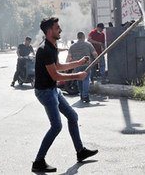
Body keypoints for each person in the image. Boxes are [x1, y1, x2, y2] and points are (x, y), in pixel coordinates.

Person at [32, 17, 98, 173]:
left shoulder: (52, 46)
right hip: (45, 92)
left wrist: (79, 62)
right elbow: (56, 75)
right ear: (49, 32)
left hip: (53, 90)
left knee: (73, 117)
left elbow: (59, 66)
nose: (60, 30)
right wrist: (77, 76)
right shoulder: (45, 50)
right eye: (57, 28)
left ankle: (80, 151)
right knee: (56, 126)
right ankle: (38, 161)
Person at [66, 32, 97, 103]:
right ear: (83, 37)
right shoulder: (88, 44)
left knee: (79, 80)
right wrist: (97, 59)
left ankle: (81, 95)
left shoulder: (72, 46)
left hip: (76, 65)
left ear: (77, 37)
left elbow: (69, 57)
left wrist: (67, 67)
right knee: (86, 79)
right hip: (87, 65)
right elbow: (94, 54)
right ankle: (85, 96)